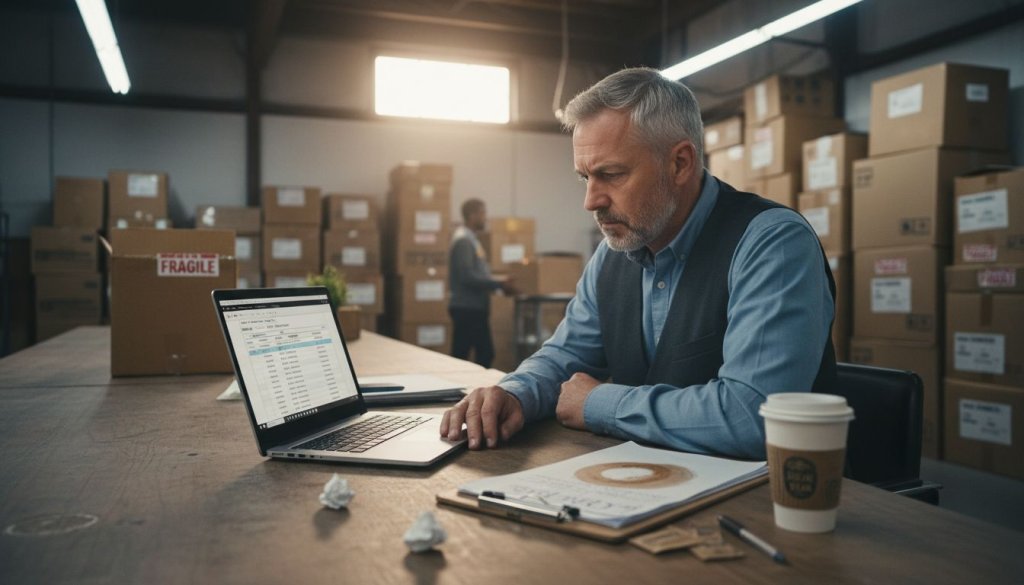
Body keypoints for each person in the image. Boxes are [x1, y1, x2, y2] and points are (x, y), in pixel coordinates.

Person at [439, 67, 837, 459]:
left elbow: (753, 417)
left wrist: (599, 403)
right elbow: (564, 355)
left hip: (770, 504)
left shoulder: (771, 244)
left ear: (680, 163)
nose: (591, 201)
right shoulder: (612, 256)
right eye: (585, 178)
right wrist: (515, 393)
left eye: (610, 174)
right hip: (650, 484)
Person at [448, 199, 517, 368]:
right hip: (467, 308)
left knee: (473, 353)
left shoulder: (471, 239)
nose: (485, 218)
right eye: (482, 213)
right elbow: (468, 276)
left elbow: (476, 273)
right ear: (472, 215)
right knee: (476, 354)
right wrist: (498, 284)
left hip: (473, 307)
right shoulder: (464, 240)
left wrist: (498, 283)